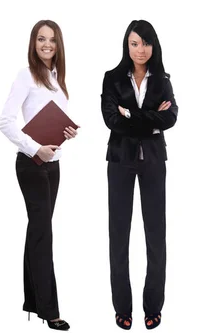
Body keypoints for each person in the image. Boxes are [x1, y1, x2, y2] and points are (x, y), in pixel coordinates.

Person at [0, 19, 76, 331]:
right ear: (33, 42)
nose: (46, 45)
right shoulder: (26, 75)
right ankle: (50, 310)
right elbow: (5, 121)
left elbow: (50, 120)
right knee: (44, 234)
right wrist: (35, 149)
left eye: (52, 40)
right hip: (31, 165)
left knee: (38, 231)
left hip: (53, 164)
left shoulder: (58, 78)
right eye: (41, 39)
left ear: (59, 45)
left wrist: (67, 133)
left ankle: (33, 302)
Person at [100, 19, 177, 330]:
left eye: (145, 43)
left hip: (154, 162)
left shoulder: (163, 80)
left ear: (153, 45)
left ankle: (153, 305)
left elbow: (171, 117)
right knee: (119, 236)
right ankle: (122, 307)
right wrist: (150, 119)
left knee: (155, 236)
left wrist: (130, 114)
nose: (140, 49)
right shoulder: (112, 78)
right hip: (120, 161)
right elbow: (110, 120)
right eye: (134, 43)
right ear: (126, 46)